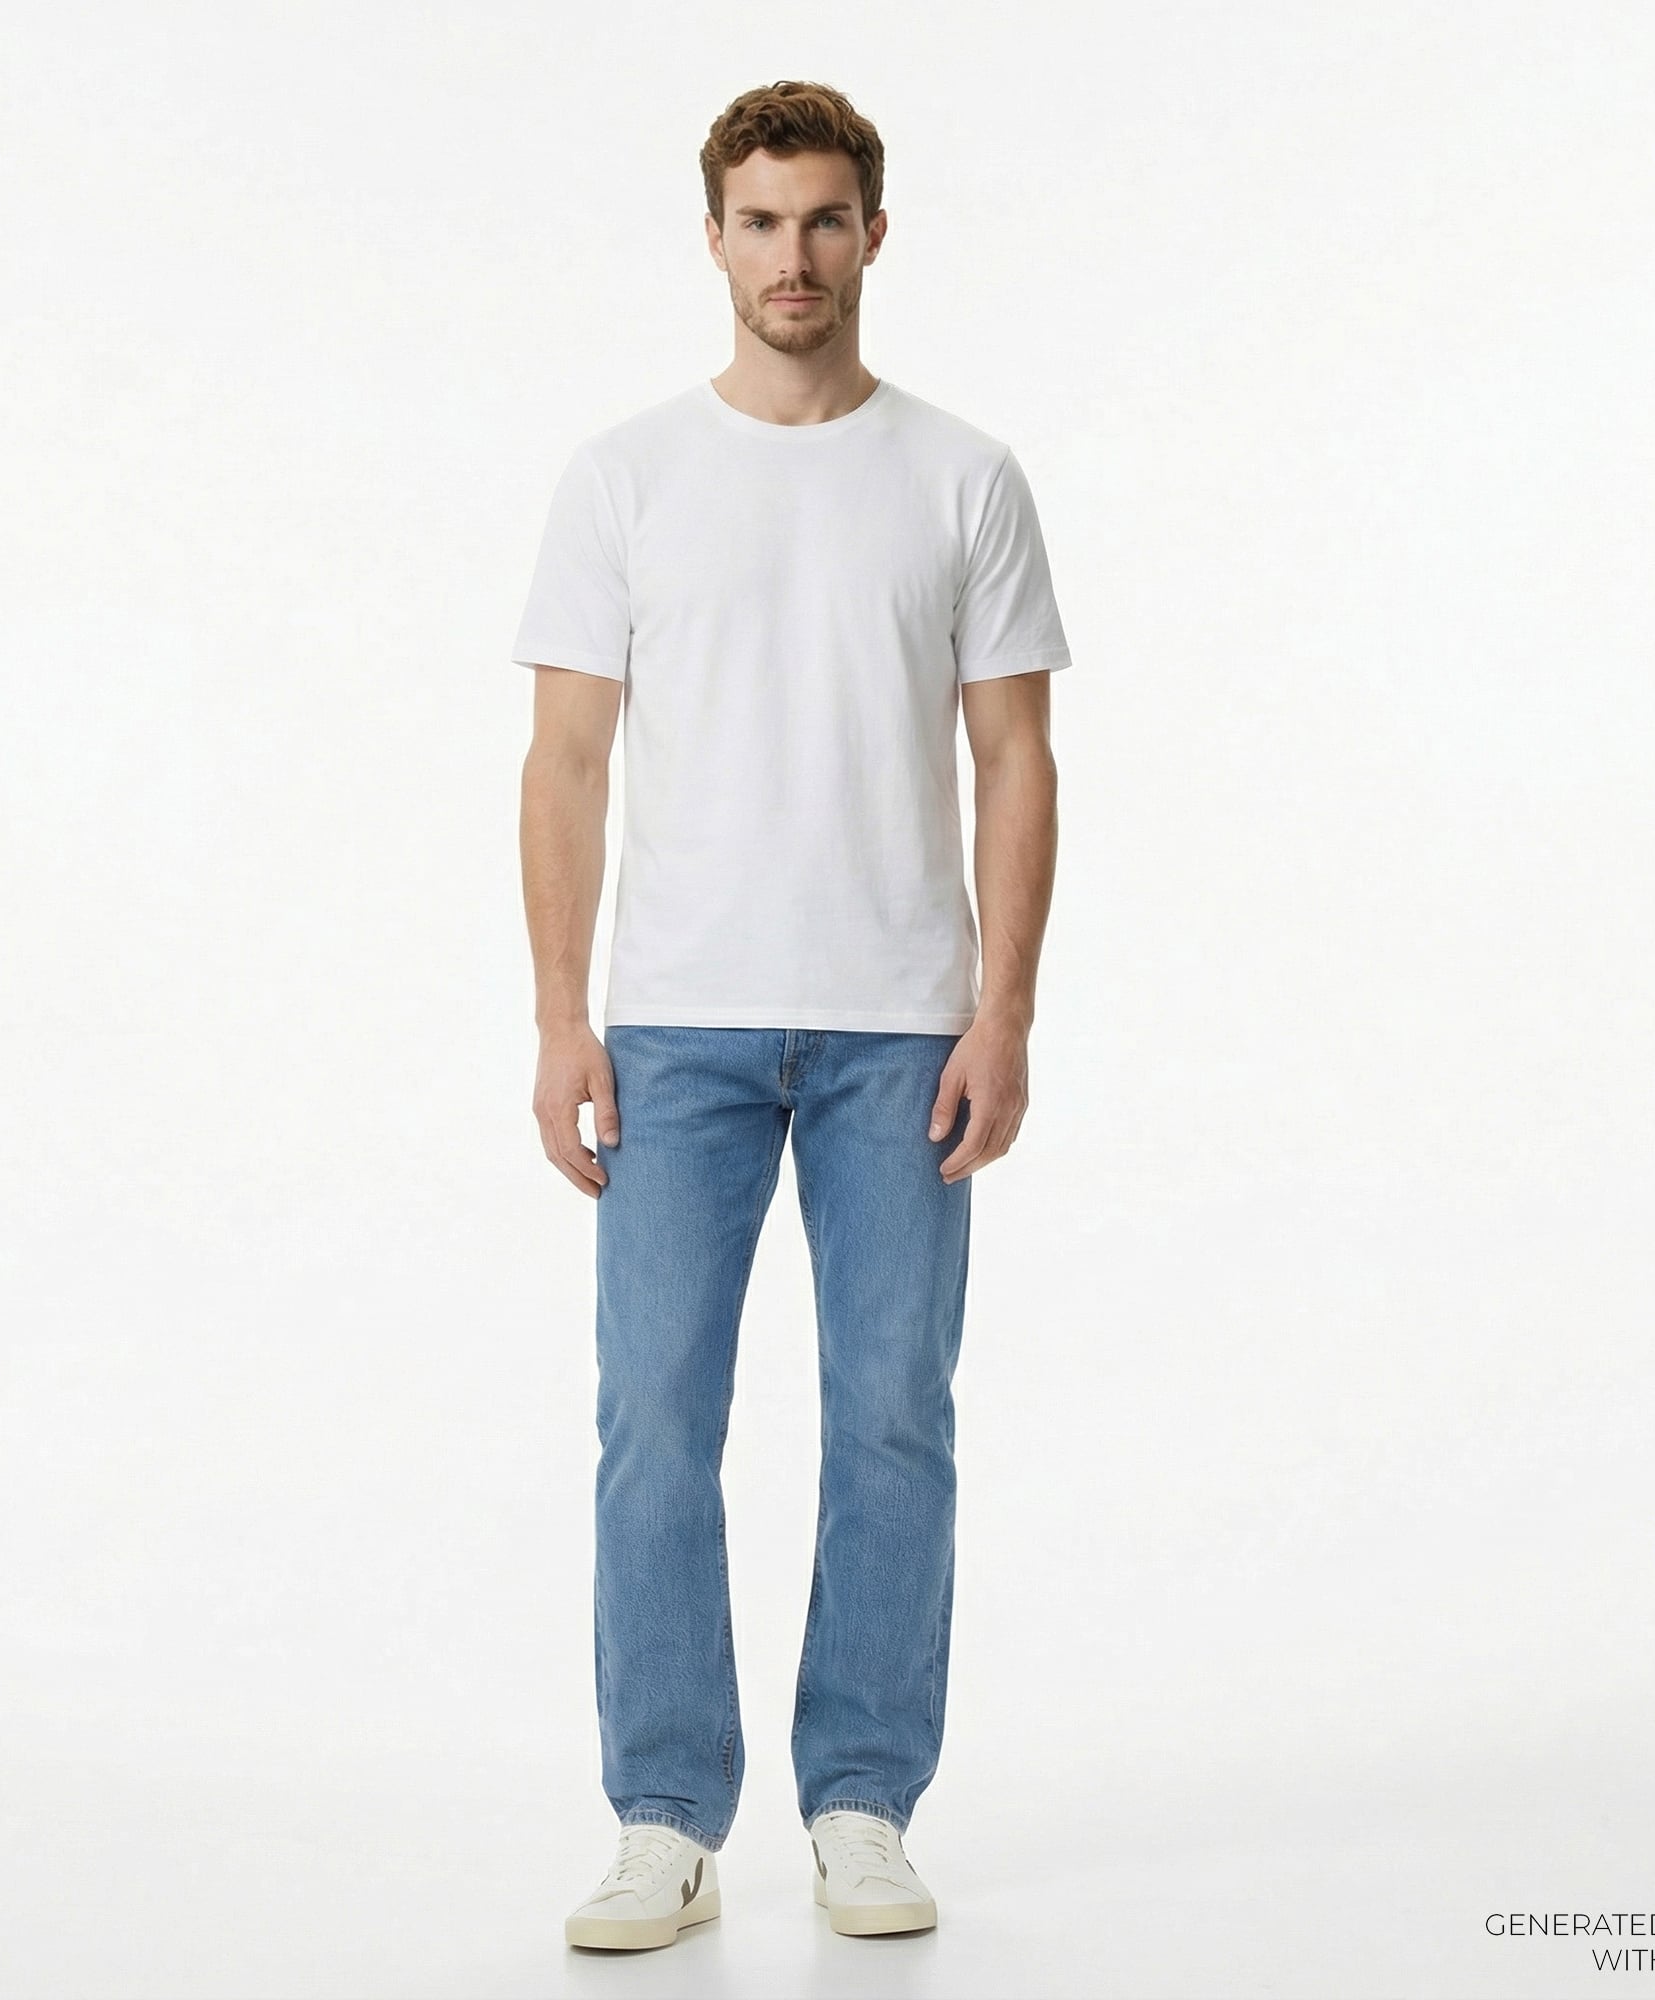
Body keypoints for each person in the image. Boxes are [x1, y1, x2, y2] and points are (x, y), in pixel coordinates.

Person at [511, 78, 1072, 1953]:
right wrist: (560, 1018)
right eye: (760, 222)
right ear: (714, 239)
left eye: (825, 219)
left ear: (874, 233)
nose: (794, 256)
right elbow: (565, 760)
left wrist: (1003, 1013)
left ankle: (862, 1802)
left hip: (901, 1028)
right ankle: (664, 1819)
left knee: (893, 1415)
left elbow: (1017, 760)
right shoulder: (627, 477)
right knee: (655, 1421)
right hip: (675, 1025)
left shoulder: (962, 476)